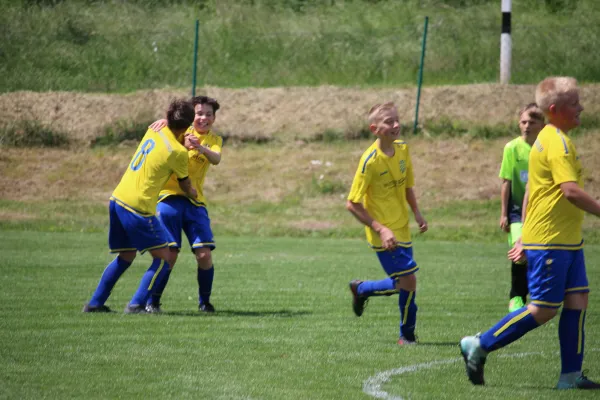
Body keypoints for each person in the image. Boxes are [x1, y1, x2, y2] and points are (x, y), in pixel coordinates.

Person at [460, 77, 600, 389]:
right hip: (550, 240)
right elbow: (570, 191)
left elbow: (536, 192)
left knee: (578, 301)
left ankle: (570, 377)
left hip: (567, 239)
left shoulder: (552, 138)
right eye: (575, 103)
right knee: (542, 309)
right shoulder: (557, 143)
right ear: (556, 109)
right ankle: (479, 344)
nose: (582, 108)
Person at [82, 99, 197, 314]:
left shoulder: (155, 129)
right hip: (138, 206)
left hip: (118, 199)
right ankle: (136, 305)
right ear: (188, 125)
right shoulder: (178, 153)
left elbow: (165, 148)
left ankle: (95, 303)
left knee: (126, 256)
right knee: (164, 258)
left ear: (168, 117)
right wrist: (193, 193)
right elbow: (184, 181)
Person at [346, 102, 428, 345]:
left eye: (397, 119)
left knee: (402, 283)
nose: (396, 125)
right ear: (375, 129)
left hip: (402, 228)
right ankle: (407, 335)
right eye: (389, 122)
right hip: (384, 234)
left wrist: (417, 213)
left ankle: (361, 289)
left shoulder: (402, 149)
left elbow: (407, 186)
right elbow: (352, 203)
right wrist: (381, 229)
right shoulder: (369, 161)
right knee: (409, 280)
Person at [144, 96, 223, 313]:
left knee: (204, 254)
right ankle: (153, 302)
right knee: (170, 255)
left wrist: (200, 148)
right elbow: (166, 132)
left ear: (214, 118)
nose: (203, 117)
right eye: (199, 113)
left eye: (208, 114)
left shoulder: (214, 139)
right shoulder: (180, 130)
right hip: (169, 198)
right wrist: (163, 121)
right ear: (192, 116)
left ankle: (205, 302)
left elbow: (216, 158)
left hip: (195, 202)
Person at [498, 103, 545, 312]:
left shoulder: (545, 149)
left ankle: (538, 295)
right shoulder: (511, 148)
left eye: (532, 122)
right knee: (519, 252)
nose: (526, 126)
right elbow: (506, 182)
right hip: (517, 210)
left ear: (542, 125)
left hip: (542, 211)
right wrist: (503, 214)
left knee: (539, 254)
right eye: (523, 122)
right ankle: (516, 297)